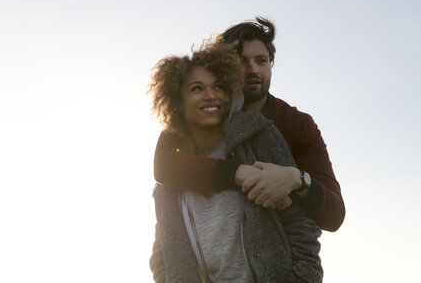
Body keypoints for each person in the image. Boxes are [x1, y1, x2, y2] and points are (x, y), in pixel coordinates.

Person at [148, 39, 322, 282]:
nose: (211, 96)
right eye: (197, 88)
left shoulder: (258, 136)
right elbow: (162, 246)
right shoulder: (172, 169)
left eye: (218, 87)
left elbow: (300, 222)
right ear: (178, 100)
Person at [154, 17, 345, 232]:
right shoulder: (206, 111)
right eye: (242, 61)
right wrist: (241, 174)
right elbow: (164, 165)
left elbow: (335, 214)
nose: (253, 69)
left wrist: (296, 180)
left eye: (261, 60)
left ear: (270, 65)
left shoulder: (297, 124)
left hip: (277, 256)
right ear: (224, 68)